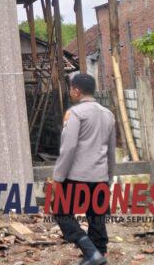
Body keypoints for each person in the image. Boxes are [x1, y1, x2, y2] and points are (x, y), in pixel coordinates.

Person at [50, 73, 115, 265]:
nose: (70, 92)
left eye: (71, 89)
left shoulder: (75, 114)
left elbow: (68, 148)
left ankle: (90, 251)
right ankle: (98, 254)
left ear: (77, 91)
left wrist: (58, 177)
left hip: (77, 177)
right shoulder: (108, 114)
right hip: (101, 177)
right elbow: (111, 151)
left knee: (61, 212)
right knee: (96, 216)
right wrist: (109, 178)